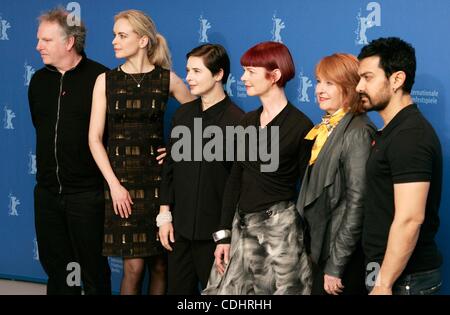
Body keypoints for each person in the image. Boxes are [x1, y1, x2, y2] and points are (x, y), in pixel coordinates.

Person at [88, 9, 194, 295]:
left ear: (143, 40)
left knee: (160, 264)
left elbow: (201, 118)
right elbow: (95, 139)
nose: (114, 41)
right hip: (120, 183)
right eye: (114, 35)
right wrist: (114, 185)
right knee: (133, 268)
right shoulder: (105, 81)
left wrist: (175, 149)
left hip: (158, 182)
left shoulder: (167, 80)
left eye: (122, 35)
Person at [203, 41, 313, 295]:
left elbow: (307, 189)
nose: (243, 78)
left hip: (279, 234)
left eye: (251, 72)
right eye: (244, 70)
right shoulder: (247, 122)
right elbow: (235, 179)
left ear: (274, 76)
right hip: (240, 226)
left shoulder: (300, 127)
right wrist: (224, 235)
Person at [28, 8, 111, 295]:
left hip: (87, 196)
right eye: (39, 39)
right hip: (48, 194)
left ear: (69, 42)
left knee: (93, 273)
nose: (38, 46)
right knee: (58, 272)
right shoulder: (38, 82)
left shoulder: (101, 78)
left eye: (46, 40)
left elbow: (116, 136)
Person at [357, 37, 443, 295]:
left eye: (368, 78)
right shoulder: (392, 131)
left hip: (405, 280)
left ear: (397, 80)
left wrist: (384, 284)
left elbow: (410, 218)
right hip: (386, 273)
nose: (359, 86)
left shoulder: (410, 136)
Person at [158, 44, 244, 294]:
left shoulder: (238, 121)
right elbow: (170, 169)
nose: (188, 77)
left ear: (218, 75)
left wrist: (225, 236)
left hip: (215, 237)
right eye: (187, 70)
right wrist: (165, 216)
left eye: (196, 71)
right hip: (180, 232)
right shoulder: (183, 115)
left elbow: (236, 184)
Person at [296, 53, 375, 295]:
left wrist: (335, 264)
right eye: (319, 81)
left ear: (350, 87)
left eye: (329, 83)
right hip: (321, 249)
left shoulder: (358, 131)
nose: (319, 89)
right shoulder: (329, 127)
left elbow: (357, 203)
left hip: (340, 258)